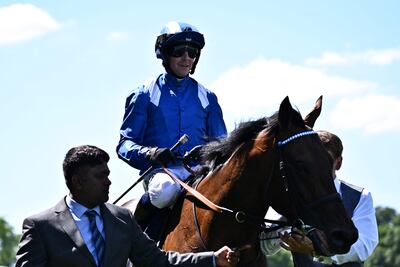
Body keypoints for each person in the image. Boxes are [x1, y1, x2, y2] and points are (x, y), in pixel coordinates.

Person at [15, 145, 239, 267]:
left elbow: (158, 261)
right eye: (100, 176)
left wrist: (212, 258)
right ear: (78, 182)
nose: (109, 182)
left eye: (108, 175)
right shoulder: (40, 227)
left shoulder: (122, 219)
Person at [116, 21, 227, 239]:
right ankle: (135, 229)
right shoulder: (144, 94)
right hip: (161, 173)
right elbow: (125, 144)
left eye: (192, 52)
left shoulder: (208, 98)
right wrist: (150, 153)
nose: (186, 58)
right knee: (165, 191)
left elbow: (222, 144)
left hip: (200, 171)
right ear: (164, 54)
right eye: (179, 51)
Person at [260, 130, 379, 266]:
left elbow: (365, 246)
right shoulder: (293, 195)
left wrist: (318, 248)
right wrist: (287, 221)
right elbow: (265, 247)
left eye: (325, 160)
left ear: (338, 163)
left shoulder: (360, 196)